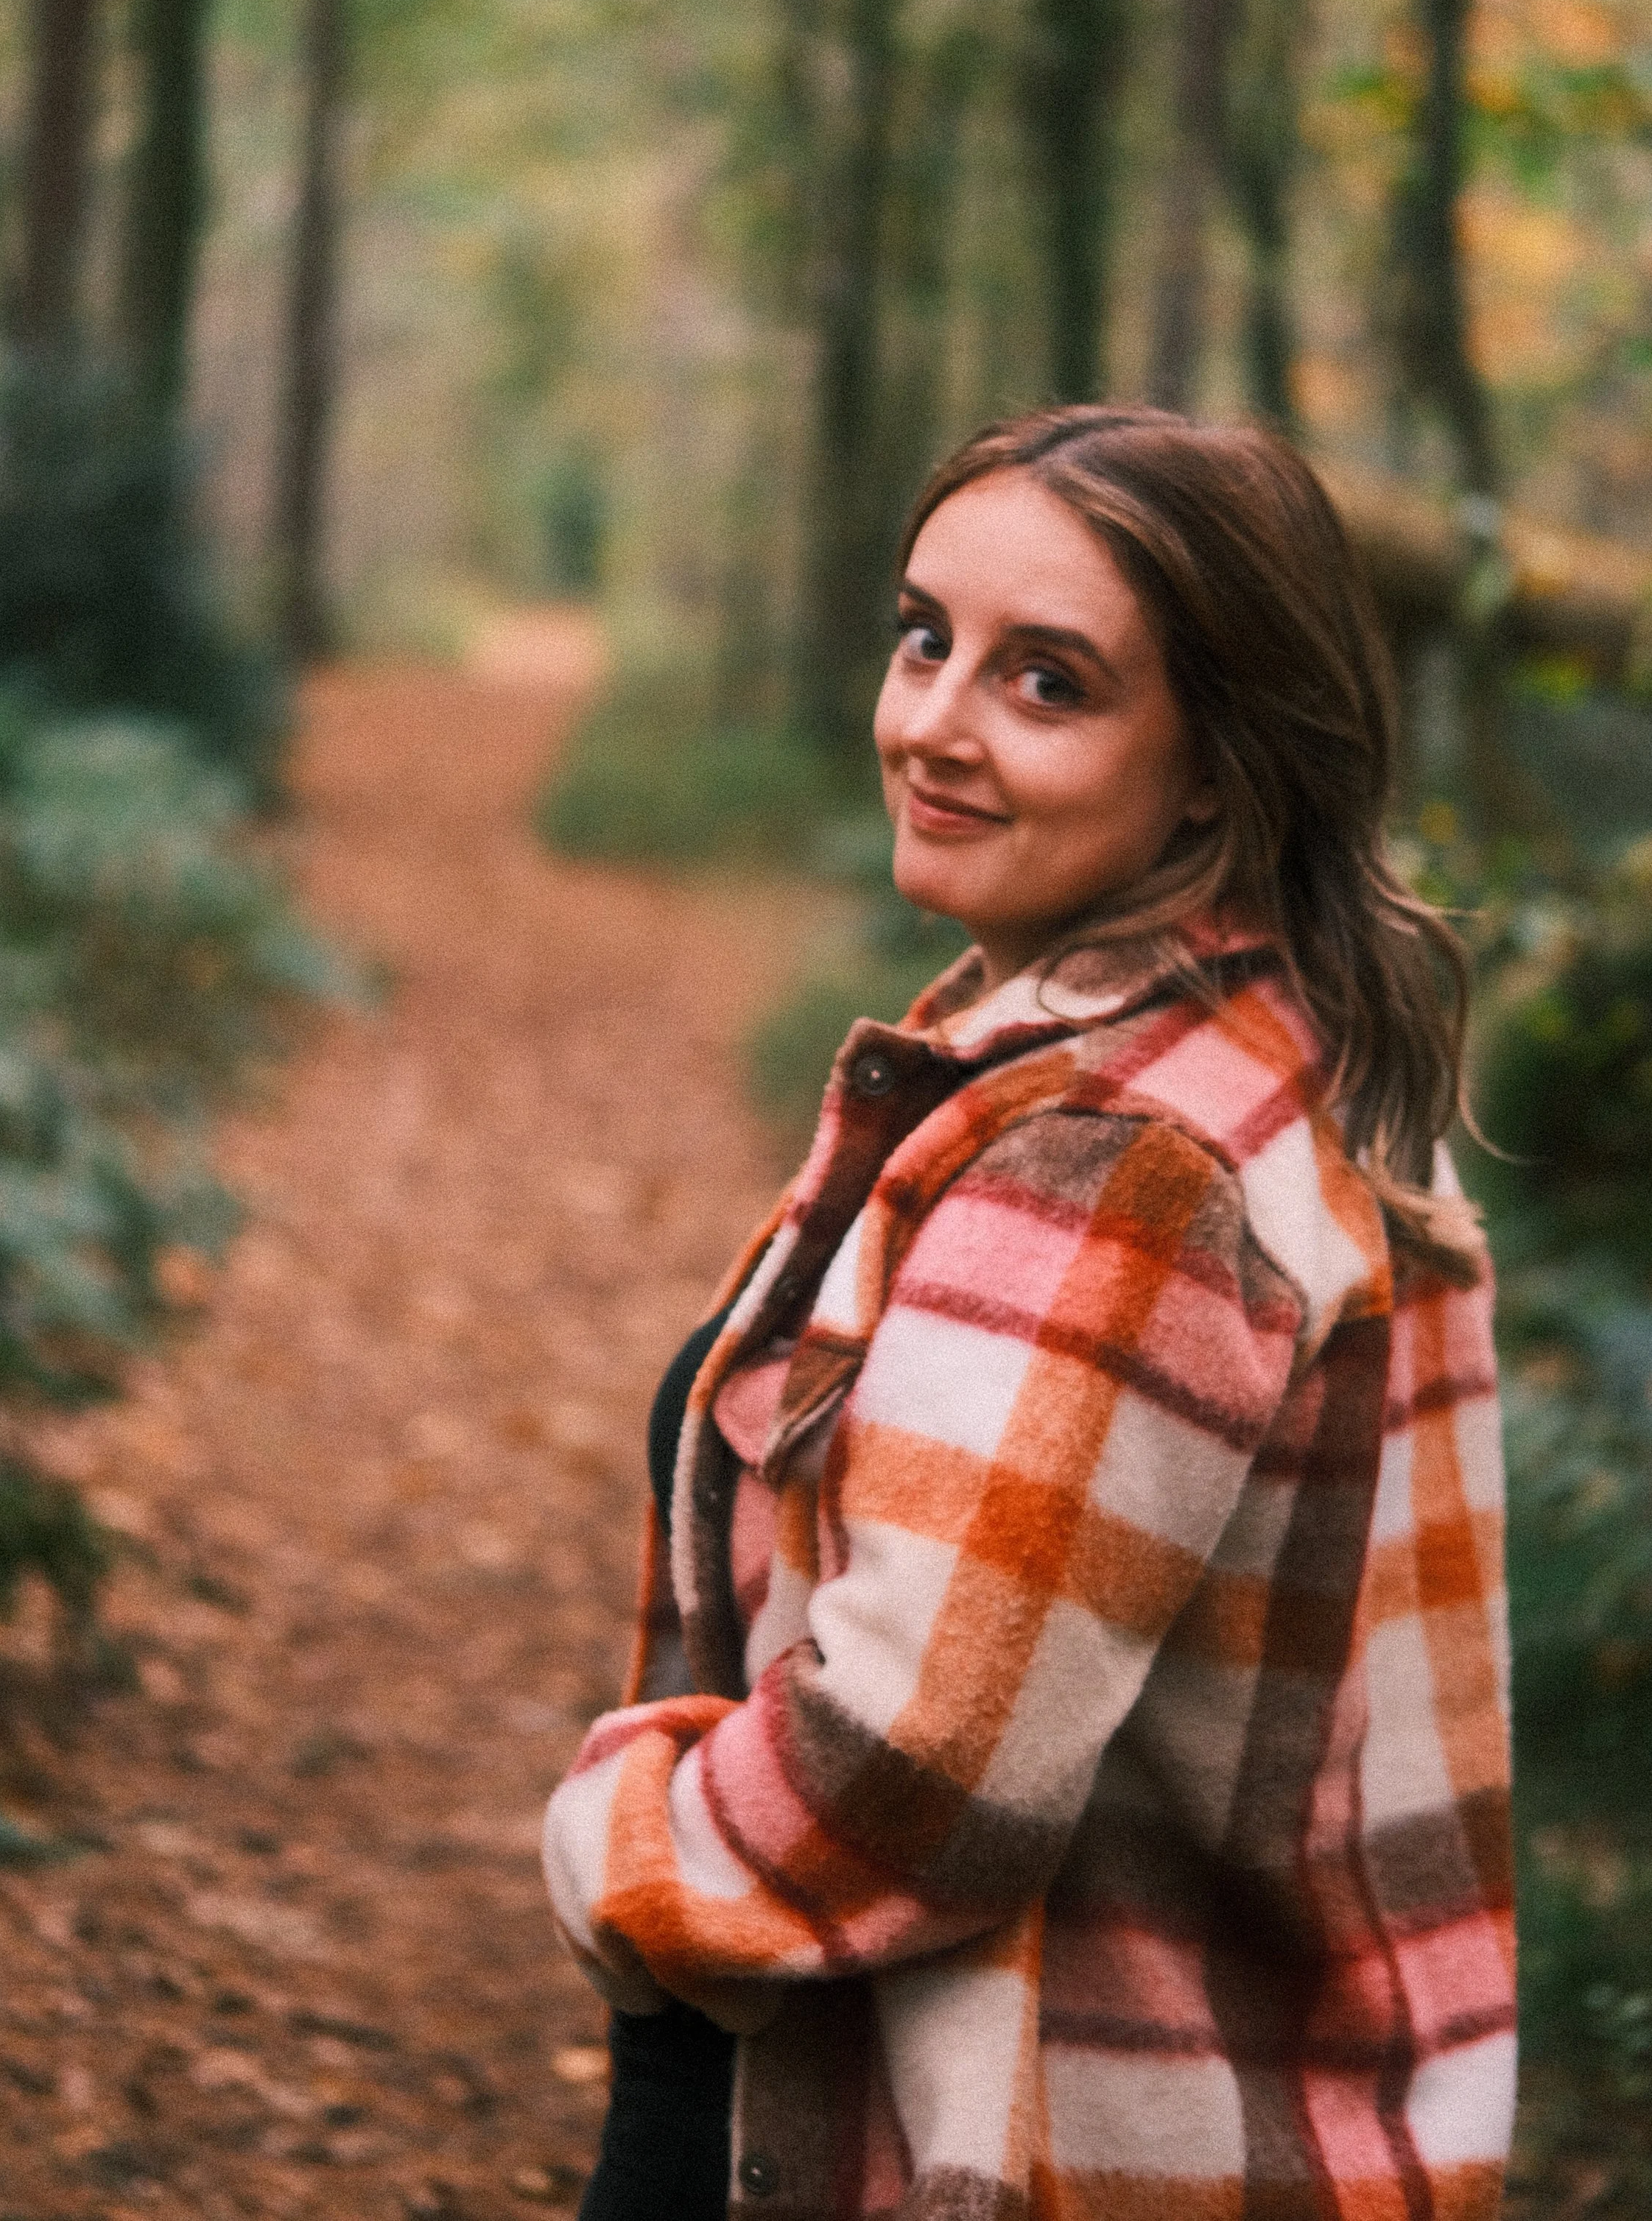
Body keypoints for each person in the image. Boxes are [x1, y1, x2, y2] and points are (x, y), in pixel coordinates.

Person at [541, 406, 1516, 2221]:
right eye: (926, 638)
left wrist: (619, 1857)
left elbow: (901, 1769)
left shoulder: (1117, 1161)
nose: (930, 726)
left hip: (945, 2134)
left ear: (1217, 765)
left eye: (1046, 684)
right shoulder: (1299, 1071)